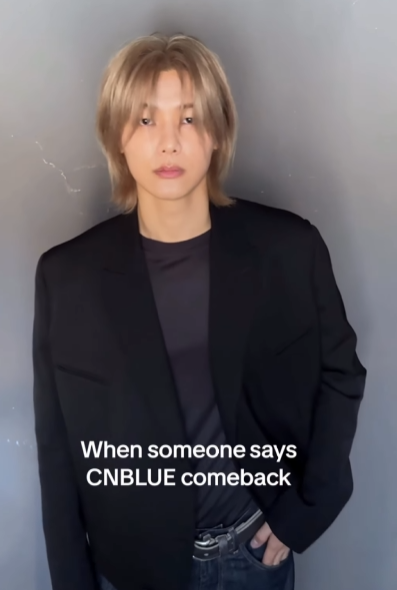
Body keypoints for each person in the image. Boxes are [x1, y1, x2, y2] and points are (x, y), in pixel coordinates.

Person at [32, 32, 366, 590]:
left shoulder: (288, 250)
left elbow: (342, 373)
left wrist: (306, 509)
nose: (168, 143)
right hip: (132, 569)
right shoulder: (67, 278)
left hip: (253, 557)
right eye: (145, 120)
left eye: (188, 119)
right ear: (117, 137)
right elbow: (58, 449)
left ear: (217, 133)